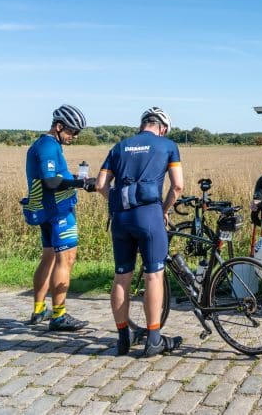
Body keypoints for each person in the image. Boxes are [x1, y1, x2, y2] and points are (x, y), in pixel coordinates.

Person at [95, 107, 184, 357]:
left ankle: (123, 338)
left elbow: (101, 185)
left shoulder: (119, 147)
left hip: (121, 218)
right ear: (162, 128)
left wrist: (118, 200)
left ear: (143, 124)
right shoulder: (168, 145)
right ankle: (153, 339)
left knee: (121, 276)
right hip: (149, 216)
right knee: (153, 275)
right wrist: (164, 210)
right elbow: (178, 186)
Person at [24, 104, 95, 331]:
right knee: (66, 259)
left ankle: (39, 310)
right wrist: (81, 183)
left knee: (48, 258)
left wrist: (74, 178)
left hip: (46, 211)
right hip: (58, 212)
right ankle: (59, 316)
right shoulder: (48, 146)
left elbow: (56, 176)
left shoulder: (48, 144)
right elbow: (50, 182)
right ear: (58, 126)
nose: (75, 136)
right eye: (72, 131)